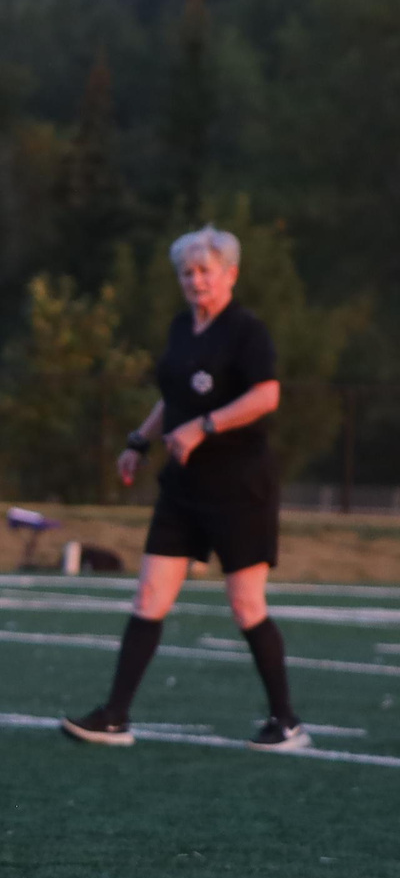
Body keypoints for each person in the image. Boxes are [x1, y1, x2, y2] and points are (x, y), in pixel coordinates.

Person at [62, 225, 307, 751]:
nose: (196, 281)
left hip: (240, 484)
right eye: (186, 272)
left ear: (230, 274)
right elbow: (172, 399)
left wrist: (205, 427)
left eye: (205, 271)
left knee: (245, 604)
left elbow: (266, 396)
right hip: (183, 486)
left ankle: (286, 722)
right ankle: (115, 716)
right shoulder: (181, 328)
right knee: (149, 594)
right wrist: (139, 440)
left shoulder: (246, 331)